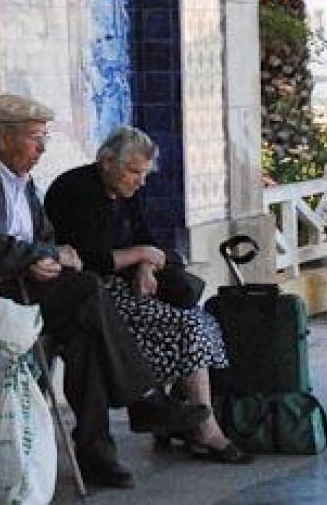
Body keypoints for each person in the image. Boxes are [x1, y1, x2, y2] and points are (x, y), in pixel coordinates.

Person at [0, 94, 210, 490]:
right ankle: (142, 398)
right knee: (89, 289)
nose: (42, 148)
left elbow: (45, 238)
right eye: (34, 138)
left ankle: (98, 456)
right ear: (3, 138)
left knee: (84, 337)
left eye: (45, 138)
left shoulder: (22, 183)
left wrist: (46, 258)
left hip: (22, 287)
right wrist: (40, 257)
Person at [44, 126, 253, 464]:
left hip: (128, 286)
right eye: (133, 172)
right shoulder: (78, 190)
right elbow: (88, 259)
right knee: (186, 327)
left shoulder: (128, 194)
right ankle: (192, 423)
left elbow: (154, 243)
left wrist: (145, 264)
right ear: (107, 161)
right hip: (91, 296)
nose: (139, 181)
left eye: (143, 173)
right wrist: (139, 254)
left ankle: (197, 421)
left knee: (197, 319)